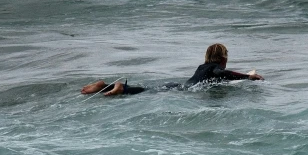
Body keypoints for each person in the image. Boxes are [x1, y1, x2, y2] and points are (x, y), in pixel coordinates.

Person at [80, 43, 263, 96]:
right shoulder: (216, 68)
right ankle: (120, 88)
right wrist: (248, 77)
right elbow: (222, 74)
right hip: (182, 90)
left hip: (178, 86)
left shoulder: (203, 66)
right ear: (224, 59)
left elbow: (222, 77)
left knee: (146, 91)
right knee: (145, 92)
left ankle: (106, 86)